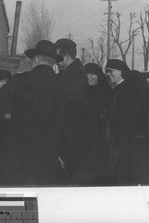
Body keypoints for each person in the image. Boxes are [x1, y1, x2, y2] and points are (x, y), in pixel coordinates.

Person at [0, 40, 66, 186]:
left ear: (35, 59)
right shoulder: (62, 85)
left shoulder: (20, 80)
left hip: (19, 157)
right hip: (48, 157)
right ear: (54, 62)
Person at [103, 59, 146, 185]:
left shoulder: (127, 89)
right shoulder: (119, 89)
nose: (108, 74)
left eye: (111, 71)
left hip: (124, 140)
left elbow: (127, 119)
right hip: (117, 139)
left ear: (121, 72)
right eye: (106, 71)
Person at [54, 38, 88, 185]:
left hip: (67, 141)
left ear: (66, 57)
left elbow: (69, 114)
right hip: (71, 138)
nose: (55, 61)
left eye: (57, 57)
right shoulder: (74, 73)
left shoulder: (71, 77)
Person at [81, 63, 111, 185]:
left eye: (92, 74)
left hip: (101, 137)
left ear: (99, 76)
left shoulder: (106, 92)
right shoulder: (87, 91)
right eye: (87, 74)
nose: (89, 77)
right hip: (88, 136)